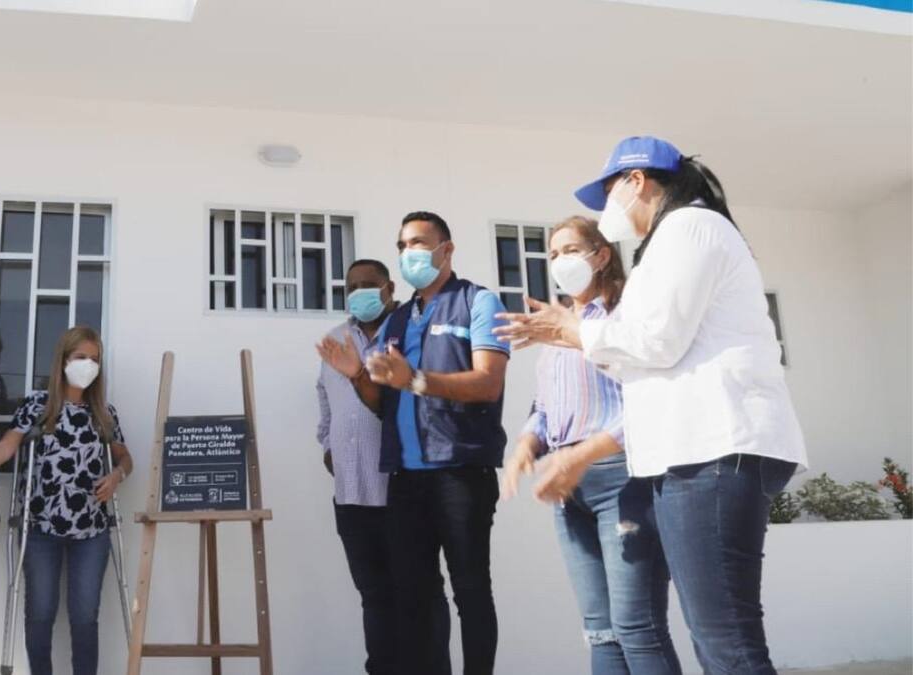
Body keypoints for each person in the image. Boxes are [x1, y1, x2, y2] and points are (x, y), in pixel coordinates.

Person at [496, 136, 808, 675]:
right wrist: (572, 336)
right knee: (716, 637)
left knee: (726, 641)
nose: (607, 209)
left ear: (636, 180)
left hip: (714, 450)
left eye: (608, 193)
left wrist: (575, 331)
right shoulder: (672, 239)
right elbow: (643, 359)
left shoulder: (688, 227)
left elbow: (656, 340)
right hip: (692, 454)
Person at [318, 211, 508, 675]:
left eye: (419, 243)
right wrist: (358, 376)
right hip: (404, 480)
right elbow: (383, 405)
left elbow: (488, 383)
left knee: (470, 592)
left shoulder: (479, 302)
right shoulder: (398, 320)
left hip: (460, 472)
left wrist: (416, 380)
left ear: (447, 249)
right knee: (414, 596)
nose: (409, 253)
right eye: (402, 246)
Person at [501, 216, 680, 675]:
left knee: (637, 627)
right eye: (553, 254)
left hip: (622, 479)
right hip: (570, 493)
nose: (559, 261)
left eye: (570, 250)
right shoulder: (555, 328)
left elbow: (645, 400)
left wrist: (582, 456)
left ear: (601, 256)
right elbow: (546, 406)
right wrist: (525, 445)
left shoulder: (626, 316)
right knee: (599, 630)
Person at [0, 325, 132, 675]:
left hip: (91, 531)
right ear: (63, 360)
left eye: (94, 359)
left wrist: (116, 476)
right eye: (80, 357)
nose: (88, 365)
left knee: (85, 616)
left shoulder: (104, 413)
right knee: (40, 614)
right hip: (40, 528)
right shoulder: (37, 405)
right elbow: (6, 447)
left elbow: (125, 458)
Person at [315, 259, 399, 675]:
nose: (360, 292)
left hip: (400, 491)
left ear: (389, 288)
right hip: (350, 494)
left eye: (369, 284)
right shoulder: (336, 339)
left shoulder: (405, 333)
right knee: (373, 596)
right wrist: (328, 446)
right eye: (352, 286)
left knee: (415, 594)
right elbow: (325, 398)